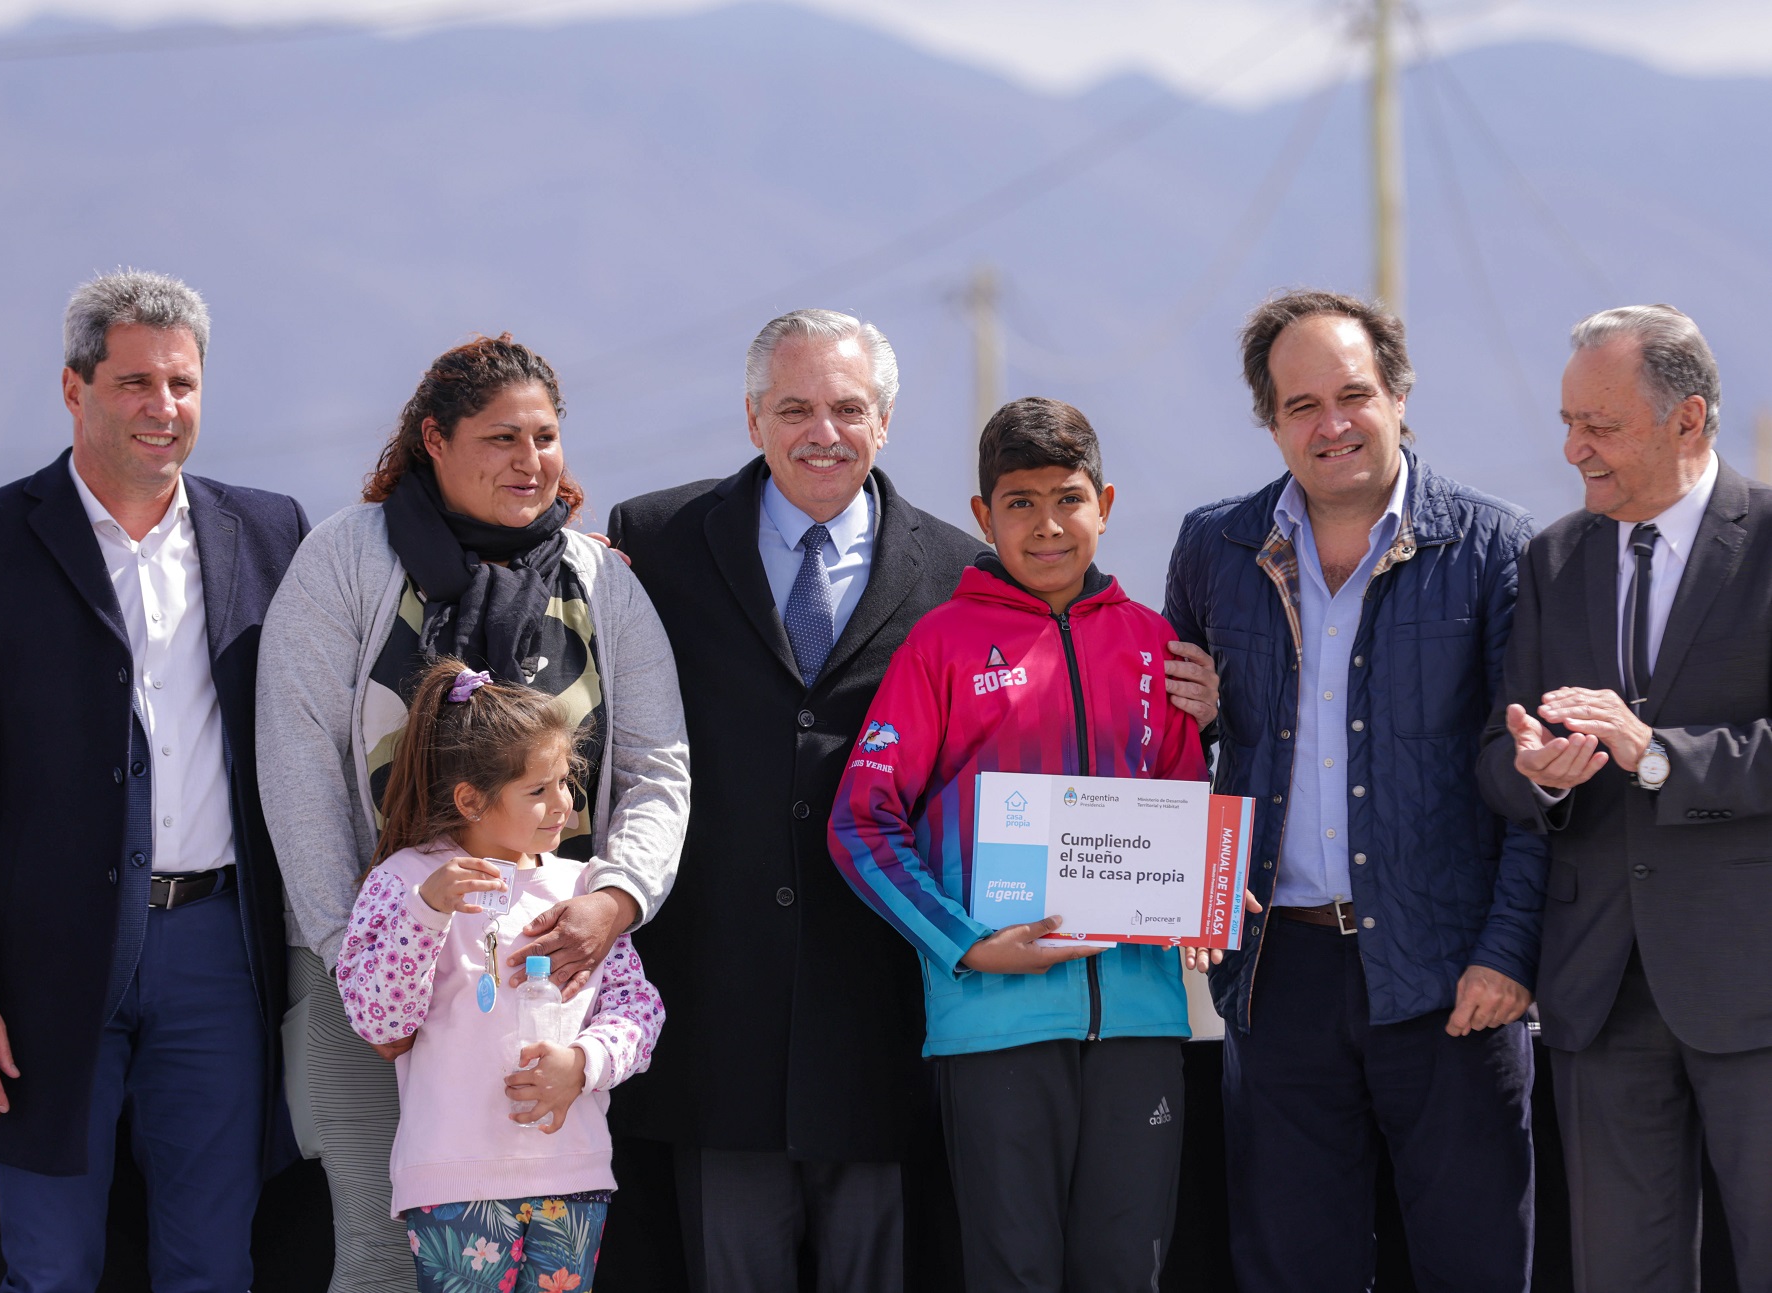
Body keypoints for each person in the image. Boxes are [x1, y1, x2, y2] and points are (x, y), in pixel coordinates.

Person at [604, 310, 1223, 1292]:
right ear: (752, 416)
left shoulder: (1021, 601)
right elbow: (854, 810)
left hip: (959, 1015)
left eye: (846, 408)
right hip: (773, 1009)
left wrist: (1207, 852)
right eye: (795, 407)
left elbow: (1169, 791)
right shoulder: (656, 542)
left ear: (883, 421)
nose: (823, 431)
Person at [0, 269, 309, 1290]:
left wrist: (571, 552)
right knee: (50, 1267)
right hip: (40, 967)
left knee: (213, 1264)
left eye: (181, 384)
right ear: (74, 390)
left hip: (221, 957)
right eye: (133, 383)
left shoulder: (270, 533)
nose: (162, 409)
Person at [257, 334, 690, 1291]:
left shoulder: (601, 581)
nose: (530, 461)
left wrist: (612, 900)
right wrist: (359, 960)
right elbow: (296, 767)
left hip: (552, 968)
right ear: (434, 440)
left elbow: (661, 765)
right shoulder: (343, 561)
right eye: (501, 438)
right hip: (368, 977)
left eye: (545, 436)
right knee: (378, 1247)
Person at [1162, 289, 1547, 1292]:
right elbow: (1178, 754)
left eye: (1352, 395)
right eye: (1300, 406)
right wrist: (1202, 890)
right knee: (1292, 1268)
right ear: (1269, 421)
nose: (1329, 425)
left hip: (1450, 981)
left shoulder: (1493, 549)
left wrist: (1506, 955)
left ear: (1399, 395)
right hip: (1275, 977)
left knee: (1474, 1267)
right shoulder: (1214, 547)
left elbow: (1531, 778)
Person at [830, 397, 1206, 1293]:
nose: (1048, 525)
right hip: (993, 1024)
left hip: (1142, 1021)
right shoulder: (941, 645)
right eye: (1021, 503)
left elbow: (1187, 806)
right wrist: (967, 943)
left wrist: (1209, 897)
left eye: (1068, 499)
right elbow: (861, 820)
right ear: (982, 517)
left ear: (1105, 504)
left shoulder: (1156, 644)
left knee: (1128, 1271)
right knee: (1015, 1271)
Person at [1478, 305, 1772, 1291]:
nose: (1571, 450)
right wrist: (1535, 773)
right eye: (1567, 423)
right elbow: (1493, 756)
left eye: (1596, 427)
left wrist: (1654, 758)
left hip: (1751, 980)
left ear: (1685, 419)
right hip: (1597, 990)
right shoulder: (1550, 560)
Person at [338, 660, 665, 1293]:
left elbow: (638, 1010)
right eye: (538, 789)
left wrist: (586, 1064)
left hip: (569, 1175)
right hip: (452, 1180)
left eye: (566, 782)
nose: (564, 805)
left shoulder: (583, 890)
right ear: (470, 799)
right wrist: (426, 914)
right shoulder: (405, 880)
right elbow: (378, 1019)